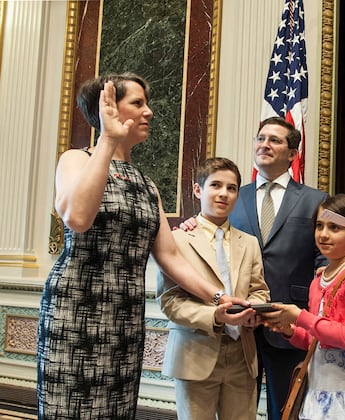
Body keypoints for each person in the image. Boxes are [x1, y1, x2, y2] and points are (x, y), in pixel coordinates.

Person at [36, 73, 247, 419]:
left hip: (124, 316)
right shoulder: (76, 160)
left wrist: (219, 297)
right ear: (108, 109)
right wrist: (107, 140)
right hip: (75, 308)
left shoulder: (147, 184)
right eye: (137, 103)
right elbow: (77, 217)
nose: (149, 112)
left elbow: (170, 256)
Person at [179, 116, 328, 419]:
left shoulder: (315, 200)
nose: (264, 144)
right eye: (260, 138)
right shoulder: (234, 195)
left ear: (292, 153)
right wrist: (192, 222)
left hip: (286, 322)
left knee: (285, 410)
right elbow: (214, 237)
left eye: (274, 140)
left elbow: (324, 257)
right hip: (234, 327)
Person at [262, 193, 345, 419]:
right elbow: (317, 340)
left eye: (334, 228)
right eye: (319, 226)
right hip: (320, 393)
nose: (323, 234)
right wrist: (290, 329)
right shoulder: (318, 280)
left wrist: (301, 317)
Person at [157, 157, 270, 420]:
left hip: (242, 355)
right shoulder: (177, 239)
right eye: (216, 185)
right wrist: (214, 316)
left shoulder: (250, 243)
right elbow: (169, 300)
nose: (224, 193)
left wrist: (254, 309)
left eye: (231, 188)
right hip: (195, 355)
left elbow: (260, 290)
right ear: (198, 190)